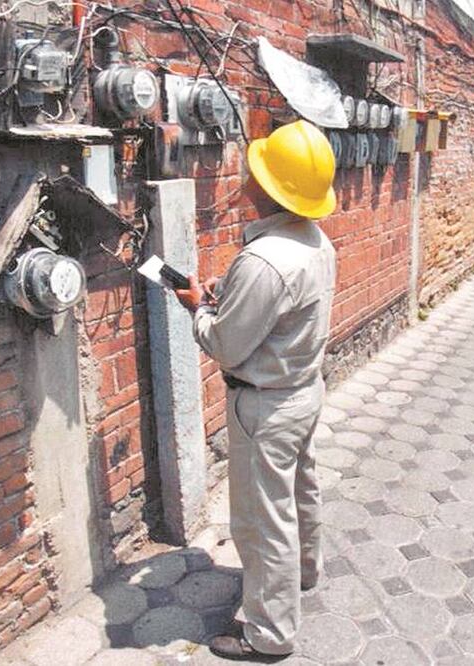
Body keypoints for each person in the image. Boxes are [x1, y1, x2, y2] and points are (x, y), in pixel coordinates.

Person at [174, 119, 338, 660]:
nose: (246, 175)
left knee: (263, 523)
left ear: (271, 189)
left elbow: (225, 346)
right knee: (300, 493)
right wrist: (230, 293)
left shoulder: (264, 260)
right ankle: (304, 575)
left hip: (265, 408)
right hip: (304, 391)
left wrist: (199, 306)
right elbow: (276, 311)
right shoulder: (313, 240)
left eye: (257, 169)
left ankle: (269, 635)